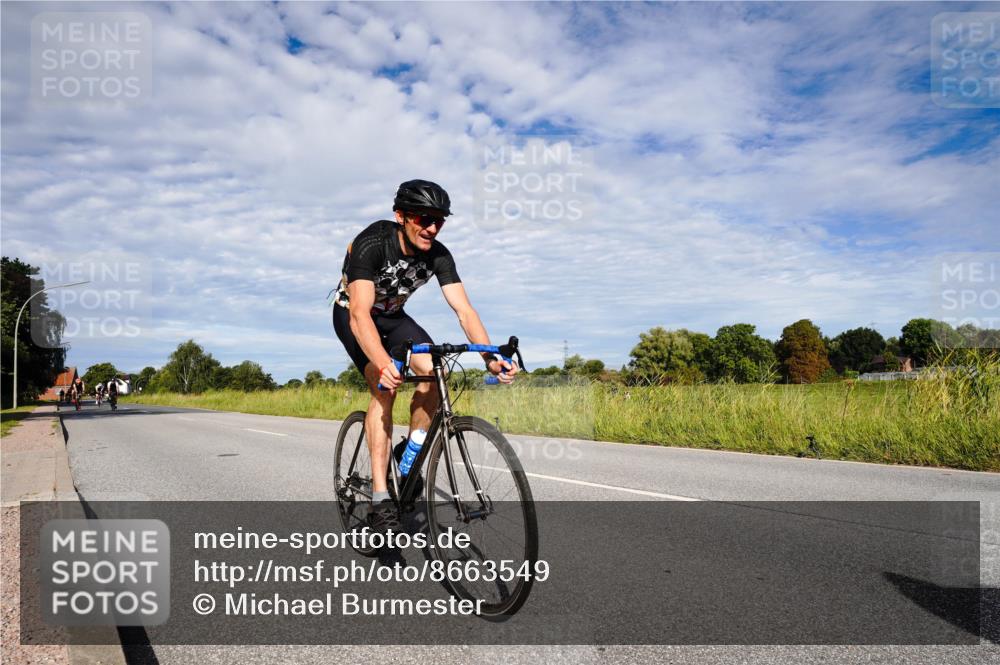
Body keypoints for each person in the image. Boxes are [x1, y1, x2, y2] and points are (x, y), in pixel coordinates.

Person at [332, 179, 517, 534]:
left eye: (440, 220)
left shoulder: (439, 255)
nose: (432, 227)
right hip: (355, 316)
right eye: (423, 218)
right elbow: (359, 312)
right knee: (383, 387)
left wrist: (491, 358)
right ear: (401, 216)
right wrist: (384, 364)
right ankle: (381, 495)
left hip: (395, 317)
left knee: (436, 373)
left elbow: (464, 310)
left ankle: (409, 453)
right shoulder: (373, 243)